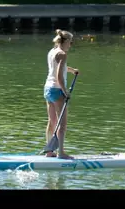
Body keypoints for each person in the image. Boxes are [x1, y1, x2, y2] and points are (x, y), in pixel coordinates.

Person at [43, 29, 79, 159]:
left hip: (48, 88)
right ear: (65, 41)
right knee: (62, 125)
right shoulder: (63, 54)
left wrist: (71, 70)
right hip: (57, 90)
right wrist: (66, 92)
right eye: (70, 42)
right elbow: (59, 76)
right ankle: (61, 153)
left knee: (52, 121)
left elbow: (56, 68)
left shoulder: (52, 51)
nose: (71, 44)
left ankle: (49, 151)